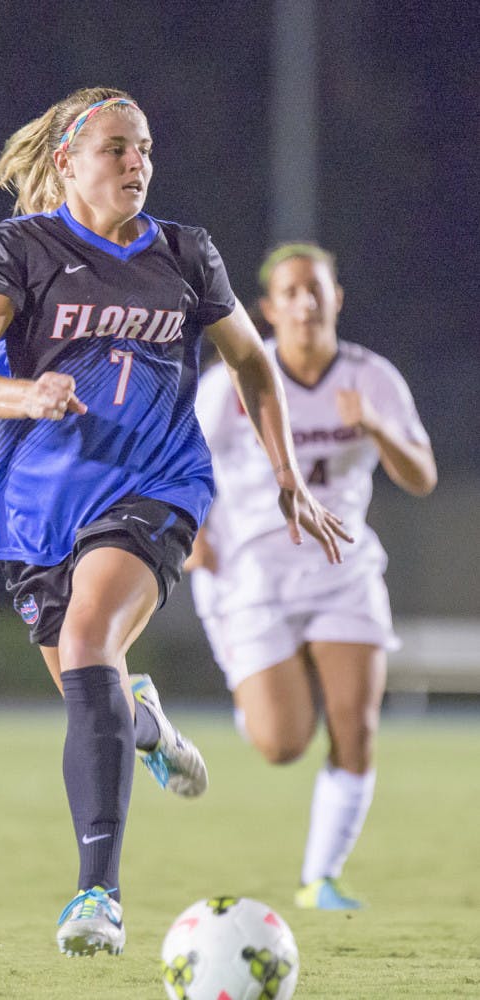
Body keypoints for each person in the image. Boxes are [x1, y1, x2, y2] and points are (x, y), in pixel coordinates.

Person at [0, 87, 350, 957]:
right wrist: (22, 392)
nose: (137, 163)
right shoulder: (23, 247)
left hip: (157, 483)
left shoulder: (186, 253)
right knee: (92, 688)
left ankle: (98, 897)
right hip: (41, 507)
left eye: (146, 147)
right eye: (117, 147)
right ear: (68, 162)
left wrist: (285, 476)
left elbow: (251, 365)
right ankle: (147, 724)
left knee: (90, 640)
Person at [188, 242, 437, 910]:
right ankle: (262, 697)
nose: (304, 302)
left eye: (315, 289)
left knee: (355, 728)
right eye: (290, 292)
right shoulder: (232, 380)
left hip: (341, 568)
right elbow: (183, 463)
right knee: (280, 744)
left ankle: (319, 877)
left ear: (336, 298)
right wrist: (193, 533)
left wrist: (377, 426)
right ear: (268, 309)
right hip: (253, 576)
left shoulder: (370, 377)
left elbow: (421, 477)